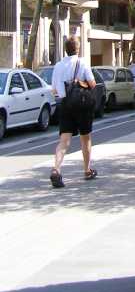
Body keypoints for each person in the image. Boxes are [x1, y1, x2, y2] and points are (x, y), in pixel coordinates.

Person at [50, 36, 98, 187]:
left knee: (64, 140)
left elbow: (54, 91)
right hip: (82, 104)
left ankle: (56, 170)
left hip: (65, 104)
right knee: (85, 138)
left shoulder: (58, 66)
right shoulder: (82, 63)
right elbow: (93, 84)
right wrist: (80, 83)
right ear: (77, 49)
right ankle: (87, 170)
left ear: (66, 49)